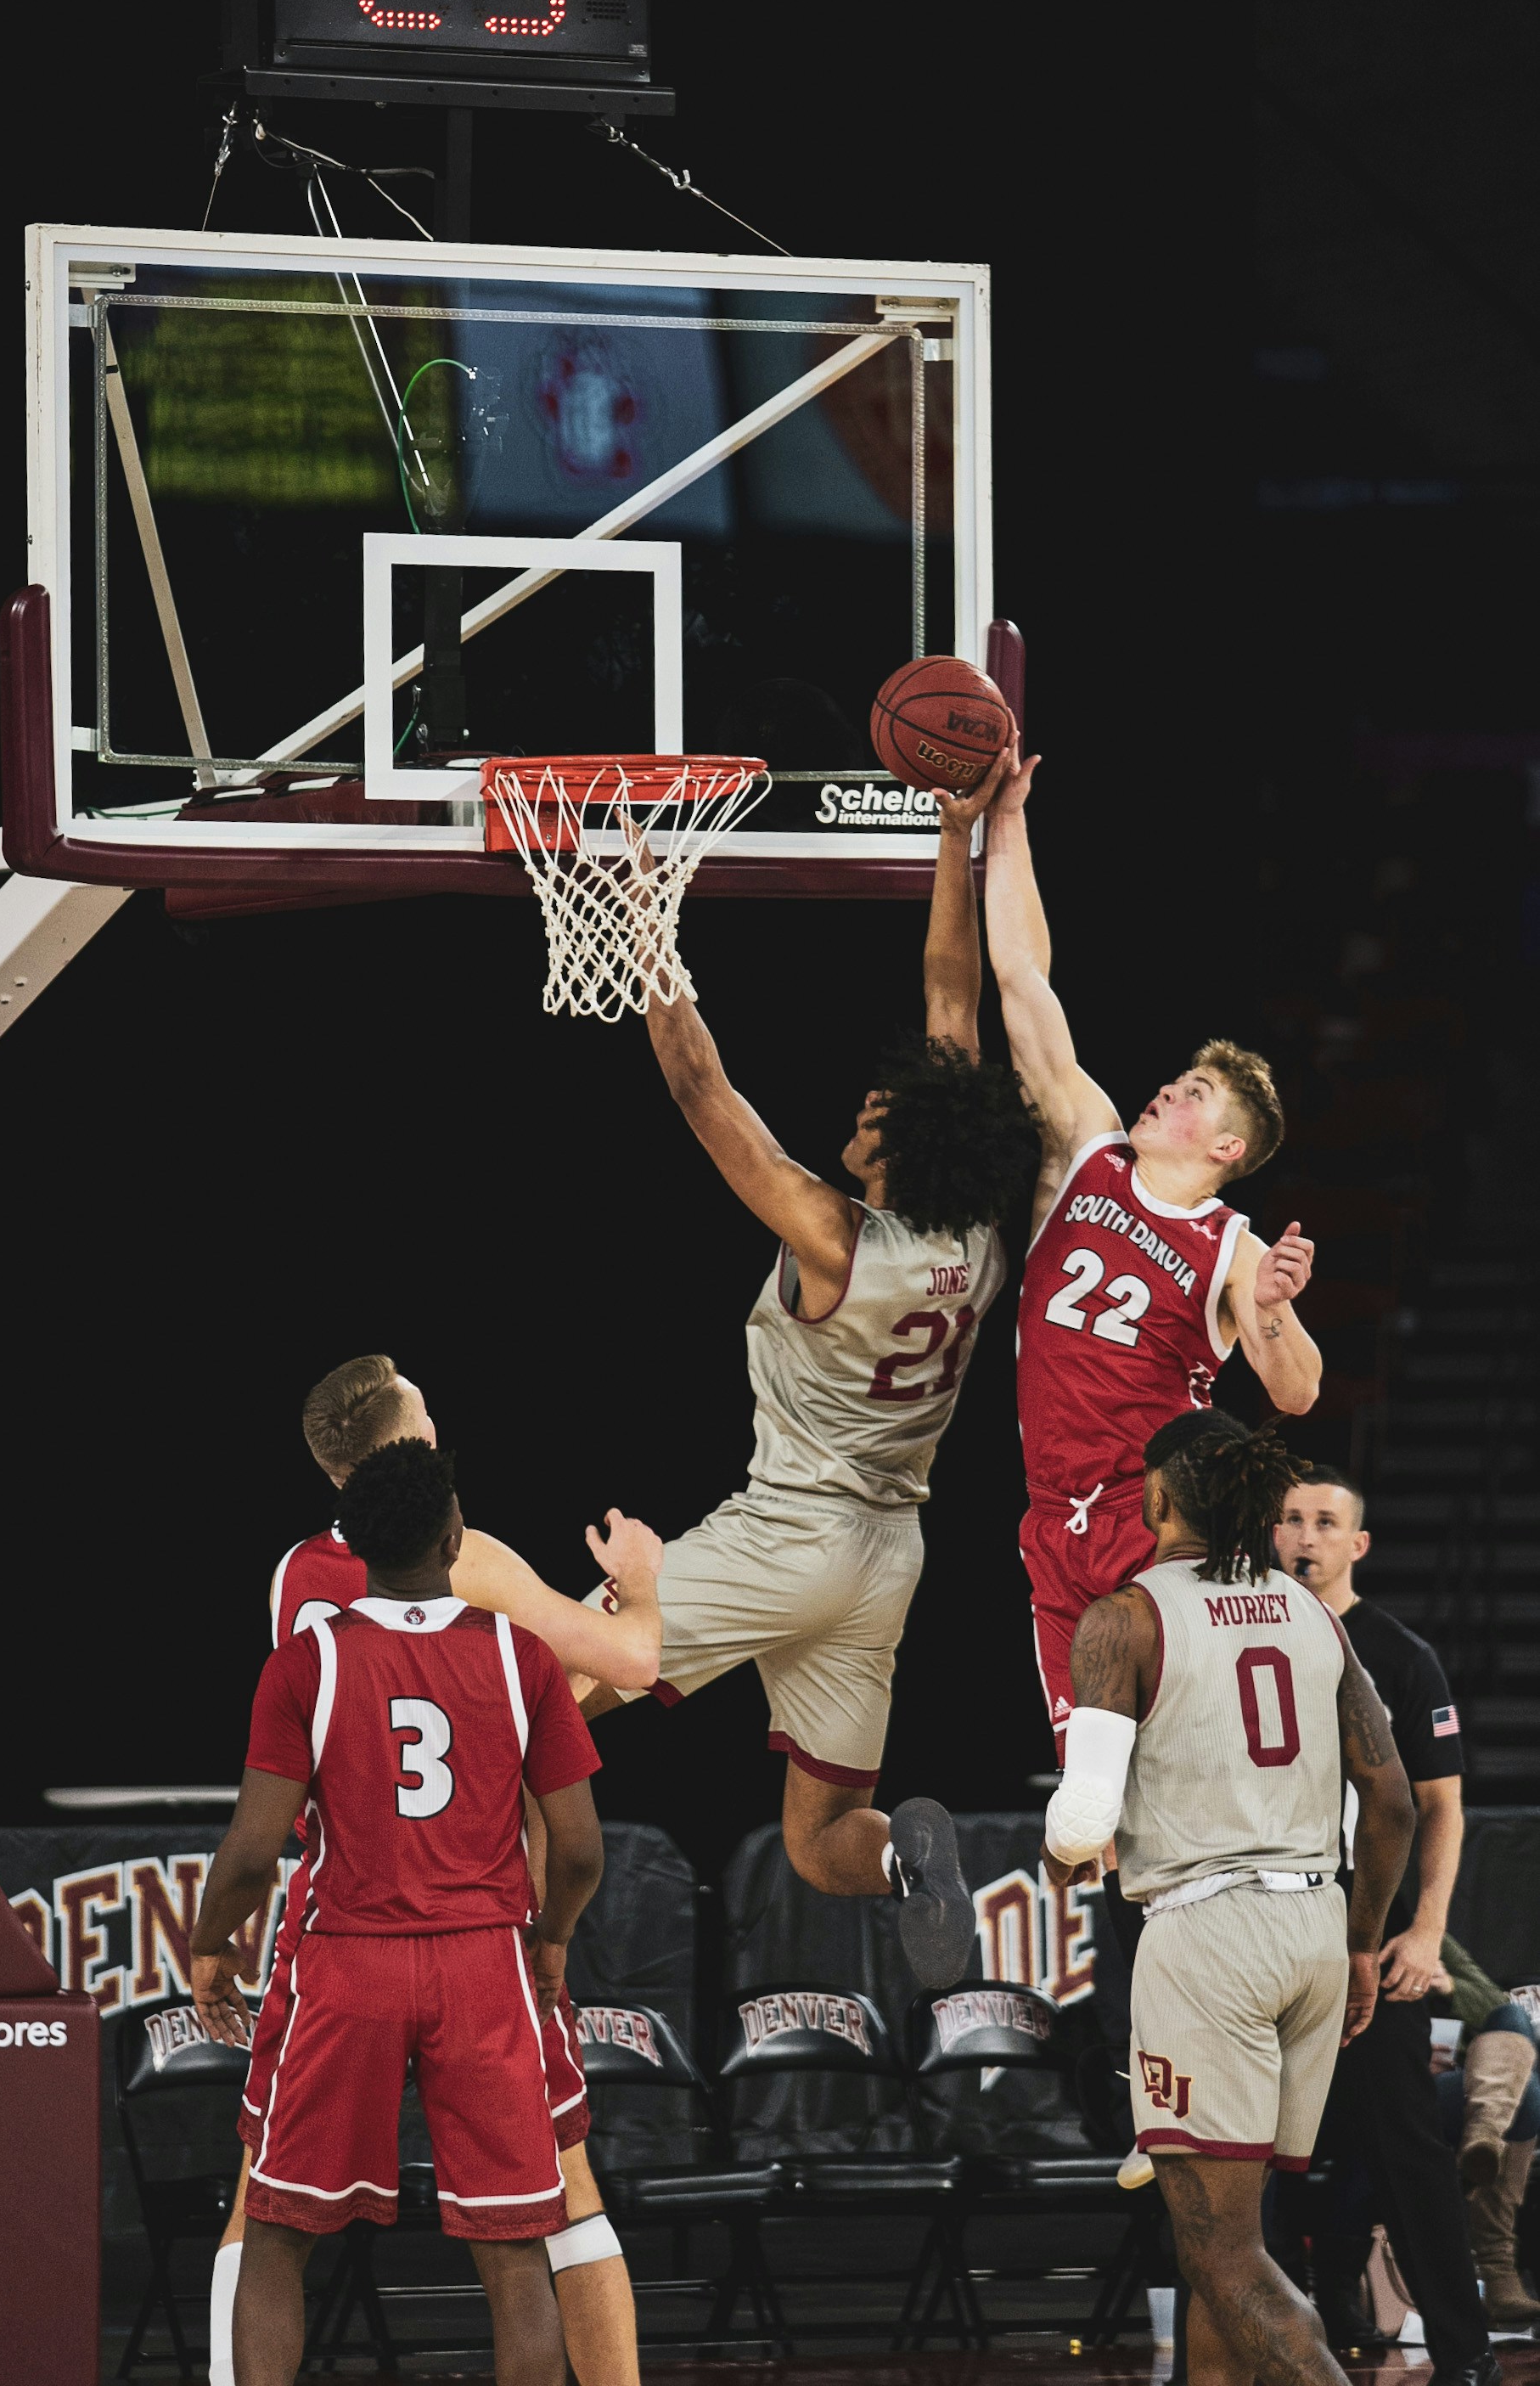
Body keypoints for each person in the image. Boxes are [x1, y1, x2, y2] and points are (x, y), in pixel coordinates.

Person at [579, 764, 1040, 1984]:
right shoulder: (979, 1231)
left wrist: (645, 928)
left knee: (543, 1682)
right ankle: (910, 1867)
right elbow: (951, 995)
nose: (865, 1101)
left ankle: (420, 1863)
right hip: (886, 1560)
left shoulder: (835, 1239)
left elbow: (700, 1092)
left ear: (896, 1147)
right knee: (820, 1839)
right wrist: (956, 835)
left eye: (875, 1105)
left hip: (792, 1534)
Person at [208, 1354, 660, 2386]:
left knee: (266, 2208)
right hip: (478, 1923)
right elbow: (625, 1669)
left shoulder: (292, 1581)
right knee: (549, 2208)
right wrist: (636, 1588)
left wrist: (205, 1937)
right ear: (419, 1466)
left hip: (336, 1919)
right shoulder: (485, 1574)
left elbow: (292, 1790)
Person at [1040, 1410, 1417, 2386]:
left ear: (1157, 1497)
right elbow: (1391, 1803)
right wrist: (1360, 1942)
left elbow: (1082, 1825)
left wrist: (1059, 1851)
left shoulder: (1124, 1618)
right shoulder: (1314, 1615)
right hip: (1311, 1930)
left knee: (1221, 2254)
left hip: (1209, 1940)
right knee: (1232, 2243)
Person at [970, 747, 1323, 1753]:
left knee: (1165, 1763)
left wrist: (1272, 1308)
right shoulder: (1087, 1147)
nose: (1167, 1089)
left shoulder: (1229, 1244)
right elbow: (1019, 975)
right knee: (1094, 1817)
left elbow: (1294, 1392)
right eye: (1175, 1077)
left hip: (1156, 1524)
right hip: (1049, 1519)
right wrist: (1009, 817)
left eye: (1194, 1095)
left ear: (1226, 1150)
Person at [1278, 1463, 1500, 2378]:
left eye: (1325, 1521)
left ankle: (1465, 2352)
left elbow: (1440, 1805)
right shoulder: (1236, 1636)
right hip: (1262, 1932)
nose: (1305, 1535)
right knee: (1244, 2157)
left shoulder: (1400, 1655)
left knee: (1407, 2150)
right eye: (1291, 1517)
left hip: (1370, 1937)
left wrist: (1423, 1932)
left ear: (1357, 1543)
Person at [1432, 1937, 1540, 2328]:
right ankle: (1498, 2272)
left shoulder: (1431, 1935)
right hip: (1407, 2089)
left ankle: (1485, 2134)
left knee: (1513, 2027)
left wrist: (1450, 1987)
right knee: (1525, 2094)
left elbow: (1499, 2005)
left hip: (1474, 2088)